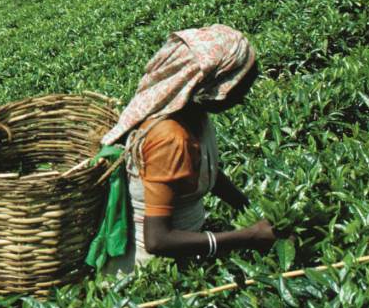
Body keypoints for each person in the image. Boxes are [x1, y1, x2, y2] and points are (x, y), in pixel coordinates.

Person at [99, 25, 279, 270]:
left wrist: (252, 210)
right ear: (213, 85)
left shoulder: (193, 115)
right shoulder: (171, 138)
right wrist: (248, 237)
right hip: (151, 270)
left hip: (186, 248)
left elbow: (205, 172)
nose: (243, 97)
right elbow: (158, 240)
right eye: (240, 87)